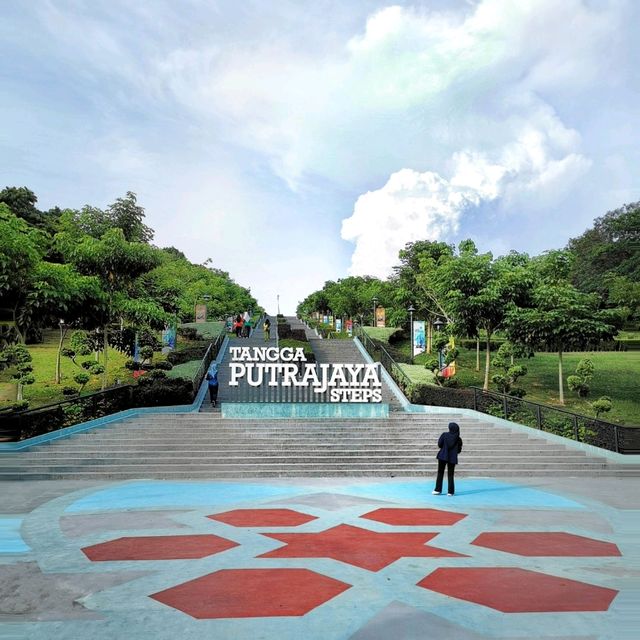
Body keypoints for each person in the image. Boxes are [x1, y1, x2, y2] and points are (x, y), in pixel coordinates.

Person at [432, 422, 463, 496]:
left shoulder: (444, 435)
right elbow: (459, 450)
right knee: (450, 475)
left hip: (443, 456)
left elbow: (439, 444)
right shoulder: (458, 439)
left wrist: (444, 448)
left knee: (440, 473)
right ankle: (450, 492)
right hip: (452, 458)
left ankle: (438, 490)